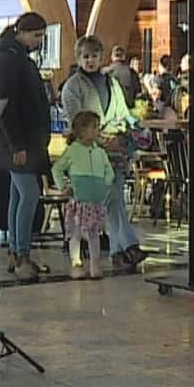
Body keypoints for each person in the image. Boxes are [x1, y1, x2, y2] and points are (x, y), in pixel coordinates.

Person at [61, 35, 147, 271]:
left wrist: (131, 127)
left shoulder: (112, 82)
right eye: (85, 56)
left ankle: (122, 252)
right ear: (78, 59)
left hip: (115, 150)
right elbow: (76, 122)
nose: (90, 61)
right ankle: (129, 246)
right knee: (112, 198)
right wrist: (100, 139)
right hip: (88, 154)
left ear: (102, 57)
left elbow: (121, 110)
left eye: (94, 56)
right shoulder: (72, 87)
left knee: (114, 199)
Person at [0, 12, 53, 282]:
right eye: (36, 35)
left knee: (19, 195)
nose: (39, 41)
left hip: (25, 140)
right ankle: (21, 255)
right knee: (29, 194)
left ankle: (17, 251)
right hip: (18, 141)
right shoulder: (8, 60)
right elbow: (5, 104)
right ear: (21, 32)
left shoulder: (15, 57)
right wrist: (16, 144)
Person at [52, 110, 115, 280]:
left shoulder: (100, 152)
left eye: (98, 127)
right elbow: (57, 168)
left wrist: (104, 184)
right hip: (79, 201)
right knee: (77, 233)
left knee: (94, 233)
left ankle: (95, 263)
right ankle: (76, 262)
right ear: (81, 130)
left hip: (95, 201)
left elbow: (109, 171)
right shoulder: (73, 151)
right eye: (93, 127)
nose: (97, 131)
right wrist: (64, 186)